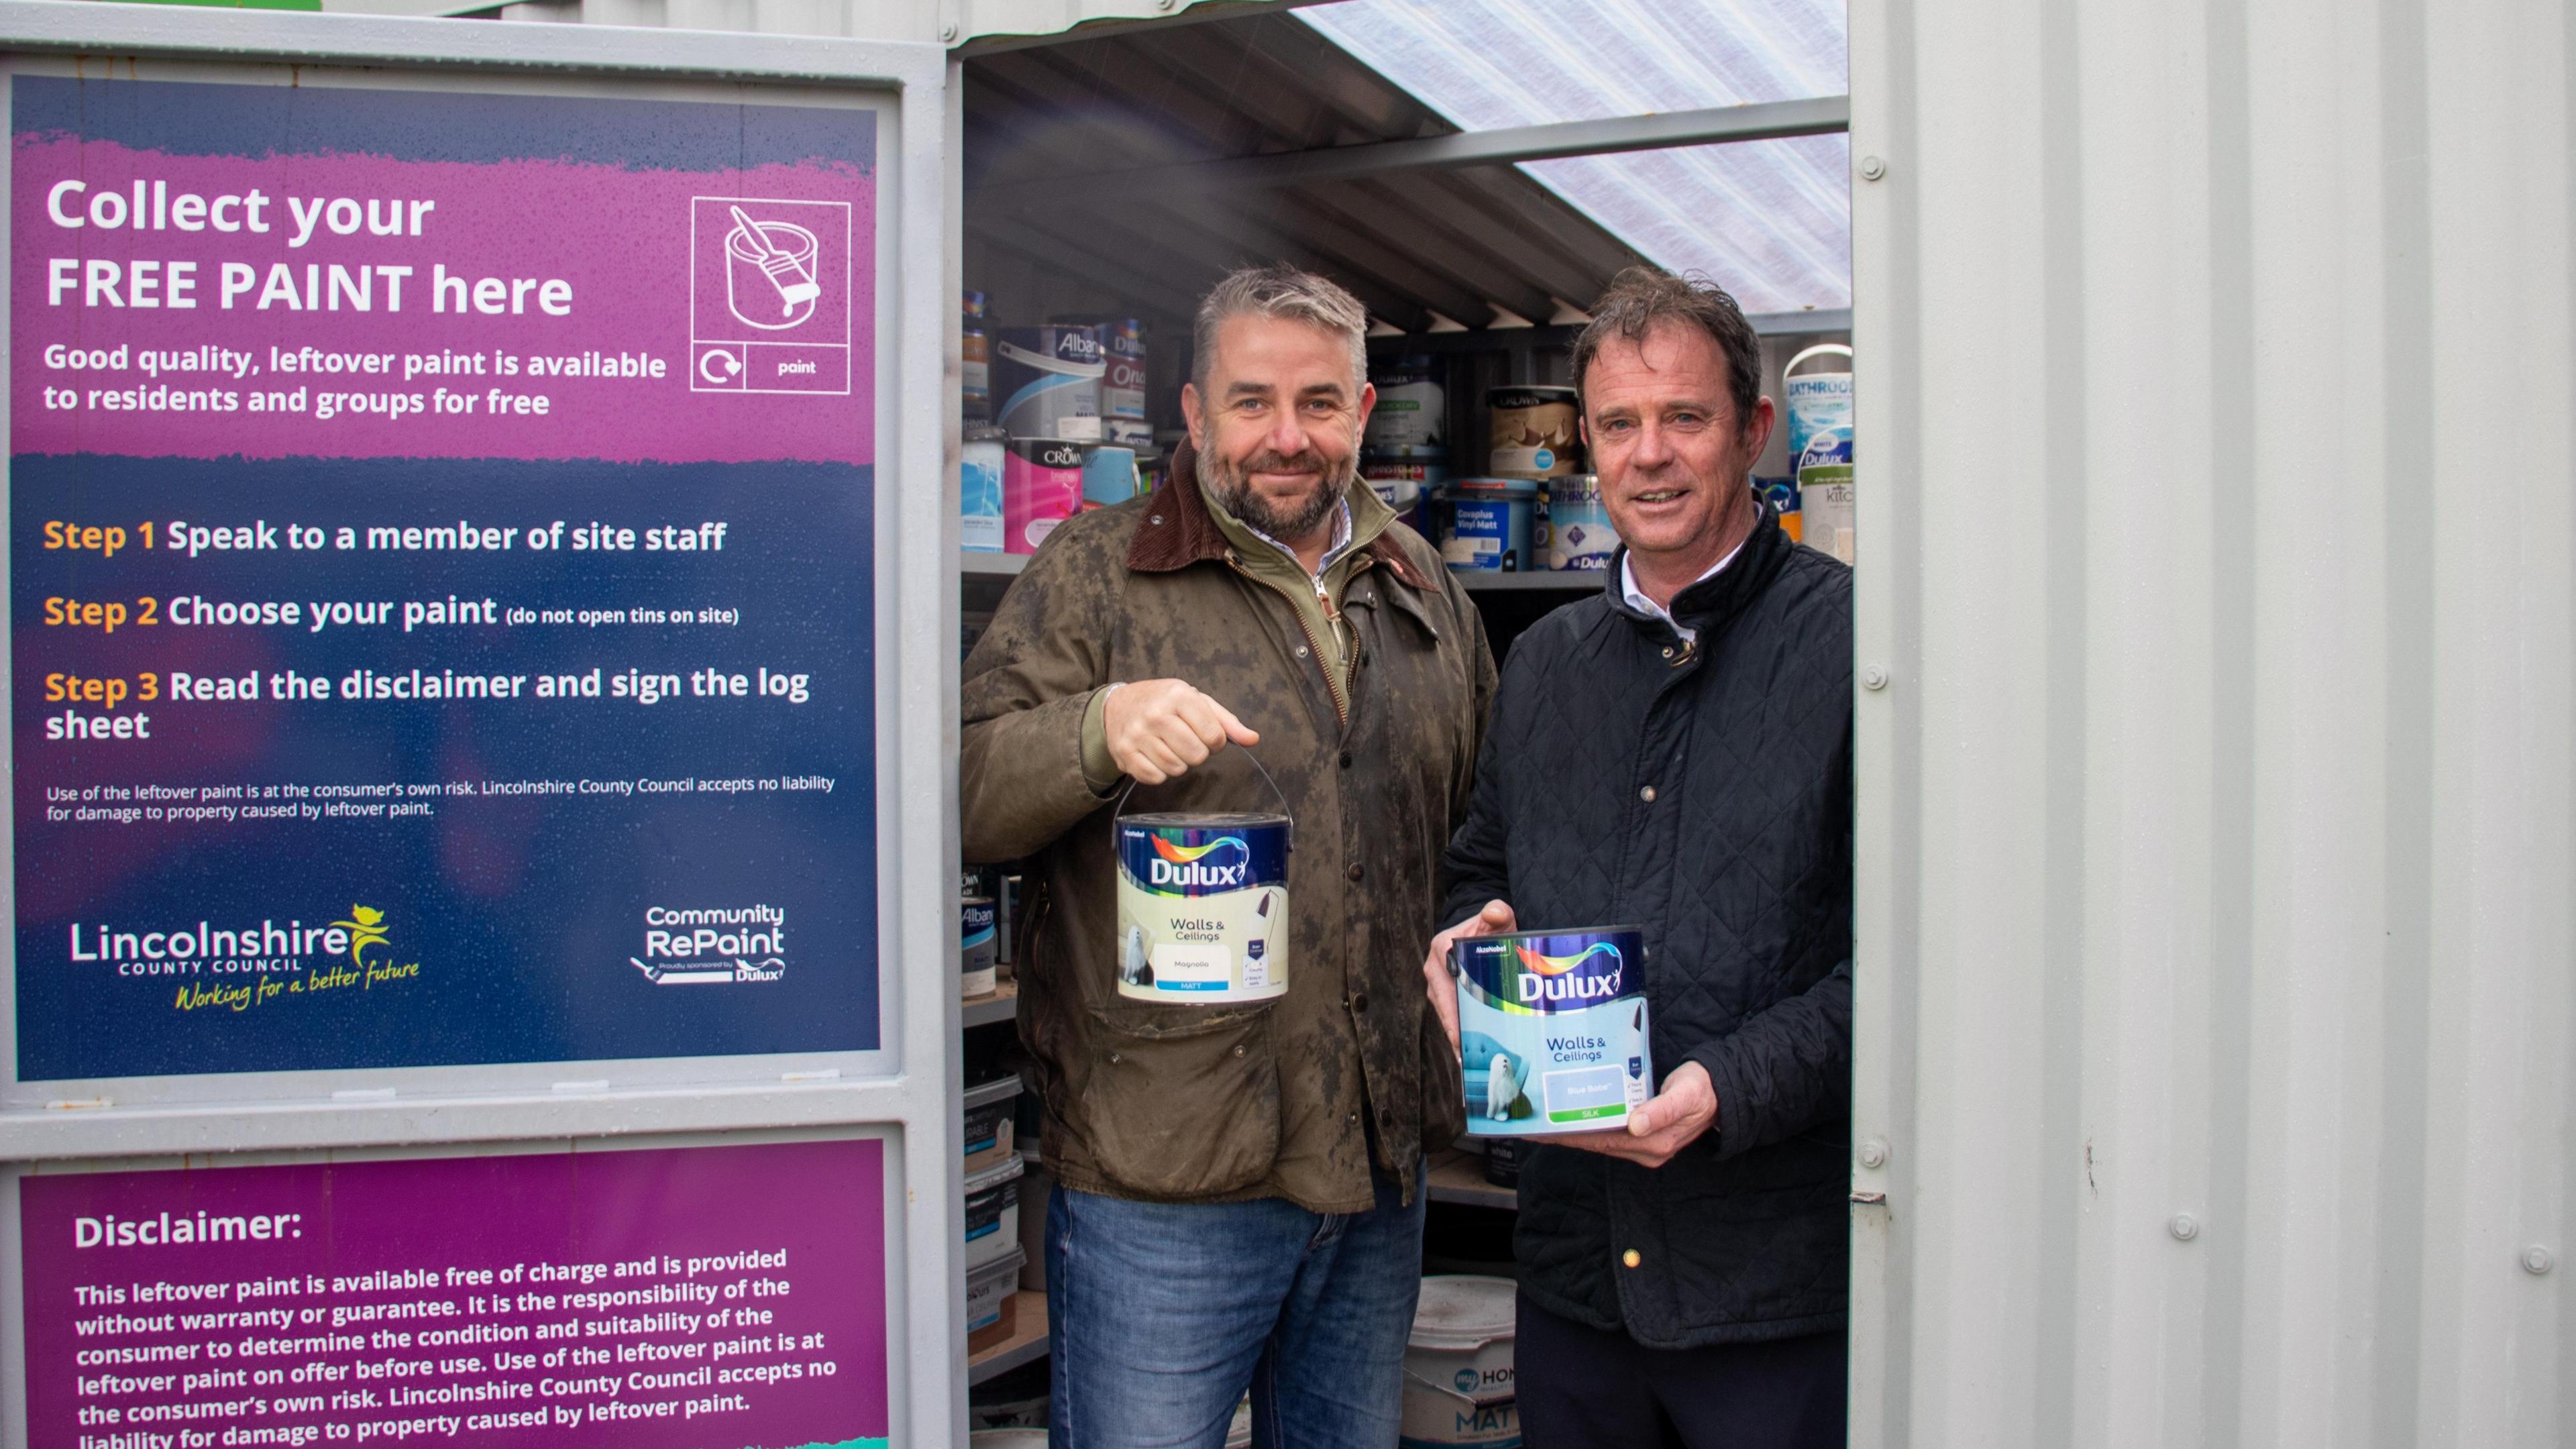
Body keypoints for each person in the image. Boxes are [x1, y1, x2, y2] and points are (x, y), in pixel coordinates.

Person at [962, 264, 1494, 1448]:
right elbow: (962, 801)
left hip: (1372, 1168)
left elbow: (1472, 824)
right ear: (1196, 415)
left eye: (1317, 404)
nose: (1286, 438)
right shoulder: (1099, 576)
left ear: (1361, 412)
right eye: (1251, 403)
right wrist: (1094, 733)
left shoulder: (1420, 587)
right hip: (1166, 1184)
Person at [1424, 266, 1854, 1448]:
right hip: (1576, 1287)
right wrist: (1467, 958)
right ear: (1584, 443)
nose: (1650, 454)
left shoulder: (1859, 644)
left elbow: (1907, 963)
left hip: (1772, 1297)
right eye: (1620, 423)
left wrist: (1727, 1089)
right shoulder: (1548, 662)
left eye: (1687, 419)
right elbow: (1483, 874)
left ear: (1755, 431)